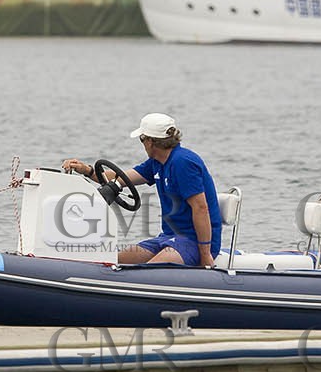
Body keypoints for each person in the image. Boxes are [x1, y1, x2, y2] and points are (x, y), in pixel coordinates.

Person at [61, 112, 222, 268]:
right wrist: (86, 170)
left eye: (141, 139)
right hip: (168, 238)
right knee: (115, 262)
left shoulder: (183, 163)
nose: (143, 144)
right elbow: (119, 178)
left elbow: (201, 208)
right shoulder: (156, 162)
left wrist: (206, 255)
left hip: (194, 242)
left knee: (147, 272)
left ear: (150, 141)